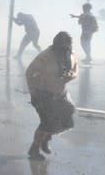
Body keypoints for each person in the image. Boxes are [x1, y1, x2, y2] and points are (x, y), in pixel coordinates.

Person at [25, 31, 78, 161]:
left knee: (68, 120)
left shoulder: (71, 55)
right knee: (47, 123)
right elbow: (29, 72)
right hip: (43, 94)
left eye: (69, 47)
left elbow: (76, 69)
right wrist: (33, 92)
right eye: (63, 47)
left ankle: (46, 137)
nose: (66, 50)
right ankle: (34, 148)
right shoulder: (45, 56)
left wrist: (72, 75)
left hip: (61, 94)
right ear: (56, 45)